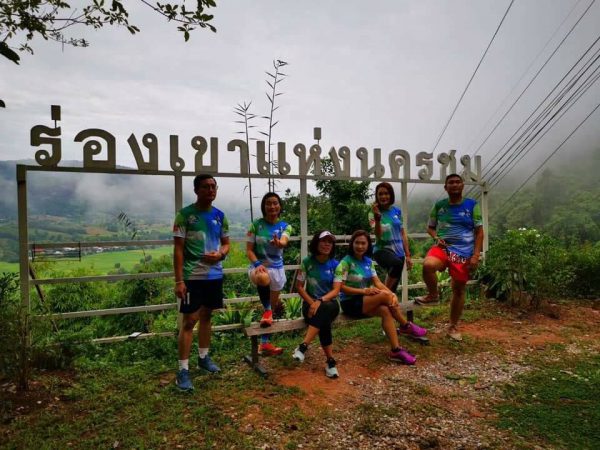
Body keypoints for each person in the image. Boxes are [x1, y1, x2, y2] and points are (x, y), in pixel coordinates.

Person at [334, 230, 427, 365]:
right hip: (350, 302)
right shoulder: (345, 262)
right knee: (384, 296)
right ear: (352, 244)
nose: (360, 246)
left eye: (363, 243)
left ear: (368, 245)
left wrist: (392, 294)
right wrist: (364, 291)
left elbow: (377, 283)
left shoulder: (368, 262)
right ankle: (405, 325)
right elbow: (340, 287)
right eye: (357, 243)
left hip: (365, 300)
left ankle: (395, 350)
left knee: (385, 310)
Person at [173, 174, 230, 391]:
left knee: (207, 316)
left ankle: (204, 358)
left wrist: (221, 254)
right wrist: (179, 280)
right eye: (205, 187)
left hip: (214, 275)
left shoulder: (220, 216)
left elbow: (226, 244)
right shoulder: (185, 215)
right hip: (192, 276)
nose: (210, 190)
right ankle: (183, 370)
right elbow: (178, 249)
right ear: (196, 190)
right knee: (189, 321)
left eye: (213, 186)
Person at [416, 173, 484, 341]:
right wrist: (435, 237)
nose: (454, 185)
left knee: (459, 290)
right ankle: (433, 295)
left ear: (462, 186)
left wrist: (476, 255)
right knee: (428, 265)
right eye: (451, 183)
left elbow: (479, 232)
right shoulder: (439, 206)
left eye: (457, 182)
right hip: (443, 248)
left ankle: (453, 326)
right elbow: (430, 227)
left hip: (463, 253)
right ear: (445, 187)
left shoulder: (472, 205)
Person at [246, 192, 292, 356]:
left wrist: (279, 243)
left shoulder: (285, 226)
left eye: (275, 203)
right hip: (259, 267)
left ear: (280, 206)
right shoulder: (255, 225)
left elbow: (285, 240)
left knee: (270, 310)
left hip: (277, 270)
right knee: (263, 278)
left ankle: (264, 344)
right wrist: (257, 264)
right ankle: (266, 311)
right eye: (268, 203)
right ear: (263, 207)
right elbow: (249, 250)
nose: (272, 206)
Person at [293, 230, 341, 378]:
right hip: (310, 304)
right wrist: (312, 302)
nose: (327, 244)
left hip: (330, 304)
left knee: (324, 309)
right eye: (323, 241)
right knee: (323, 319)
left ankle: (303, 346)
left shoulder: (336, 264)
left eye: (330, 242)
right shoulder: (307, 262)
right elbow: (299, 286)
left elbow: (336, 290)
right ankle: (330, 362)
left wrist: (319, 301)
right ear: (316, 243)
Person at [369, 182, 413, 294]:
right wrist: (377, 218)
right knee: (396, 265)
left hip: (399, 252)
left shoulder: (397, 211)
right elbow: (378, 234)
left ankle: (385, 298)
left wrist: (408, 255)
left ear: (391, 195)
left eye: (386, 193)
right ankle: (383, 294)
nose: (383, 196)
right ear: (377, 196)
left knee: (393, 289)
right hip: (382, 250)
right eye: (380, 194)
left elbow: (402, 233)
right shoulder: (372, 213)